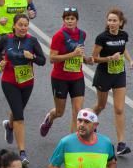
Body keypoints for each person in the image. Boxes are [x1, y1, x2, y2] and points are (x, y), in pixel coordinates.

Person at [0, 14, 47, 167]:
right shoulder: (6, 39)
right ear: (14, 25)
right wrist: (0, 62)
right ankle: (22, 153)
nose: (23, 28)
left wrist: (33, 57)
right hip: (9, 82)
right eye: (20, 25)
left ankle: (9, 126)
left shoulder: (32, 41)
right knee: (19, 116)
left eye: (25, 25)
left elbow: (42, 61)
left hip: (27, 82)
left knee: (18, 111)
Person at [40, 8, 94, 137]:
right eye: (67, 19)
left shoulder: (82, 34)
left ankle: (73, 143)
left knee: (78, 111)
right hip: (60, 78)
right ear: (63, 20)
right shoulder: (59, 36)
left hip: (77, 77)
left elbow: (79, 54)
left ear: (77, 20)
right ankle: (49, 118)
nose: (70, 21)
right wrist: (72, 54)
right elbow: (52, 58)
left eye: (72, 19)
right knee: (60, 112)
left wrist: (86, 59)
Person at [91, 8, 132, 155]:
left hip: (119, 74)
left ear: (121, 23)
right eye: (109, 20)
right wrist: (109, 59)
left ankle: (121, 144)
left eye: (114, 21)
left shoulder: (123, 35)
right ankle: (87, 120)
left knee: (119, 109)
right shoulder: (102, 38)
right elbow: (93, 58)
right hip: (104, 75)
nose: (112, 23)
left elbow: (123, 49)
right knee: (101, 105)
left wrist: (130, 60)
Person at [48, 109, 117, 168]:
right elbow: (53, 166)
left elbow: (111, 163)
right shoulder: (65, 143)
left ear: (95, 125)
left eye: (86, 122)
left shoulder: (106, 143)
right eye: (80, 120)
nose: (82, 125)